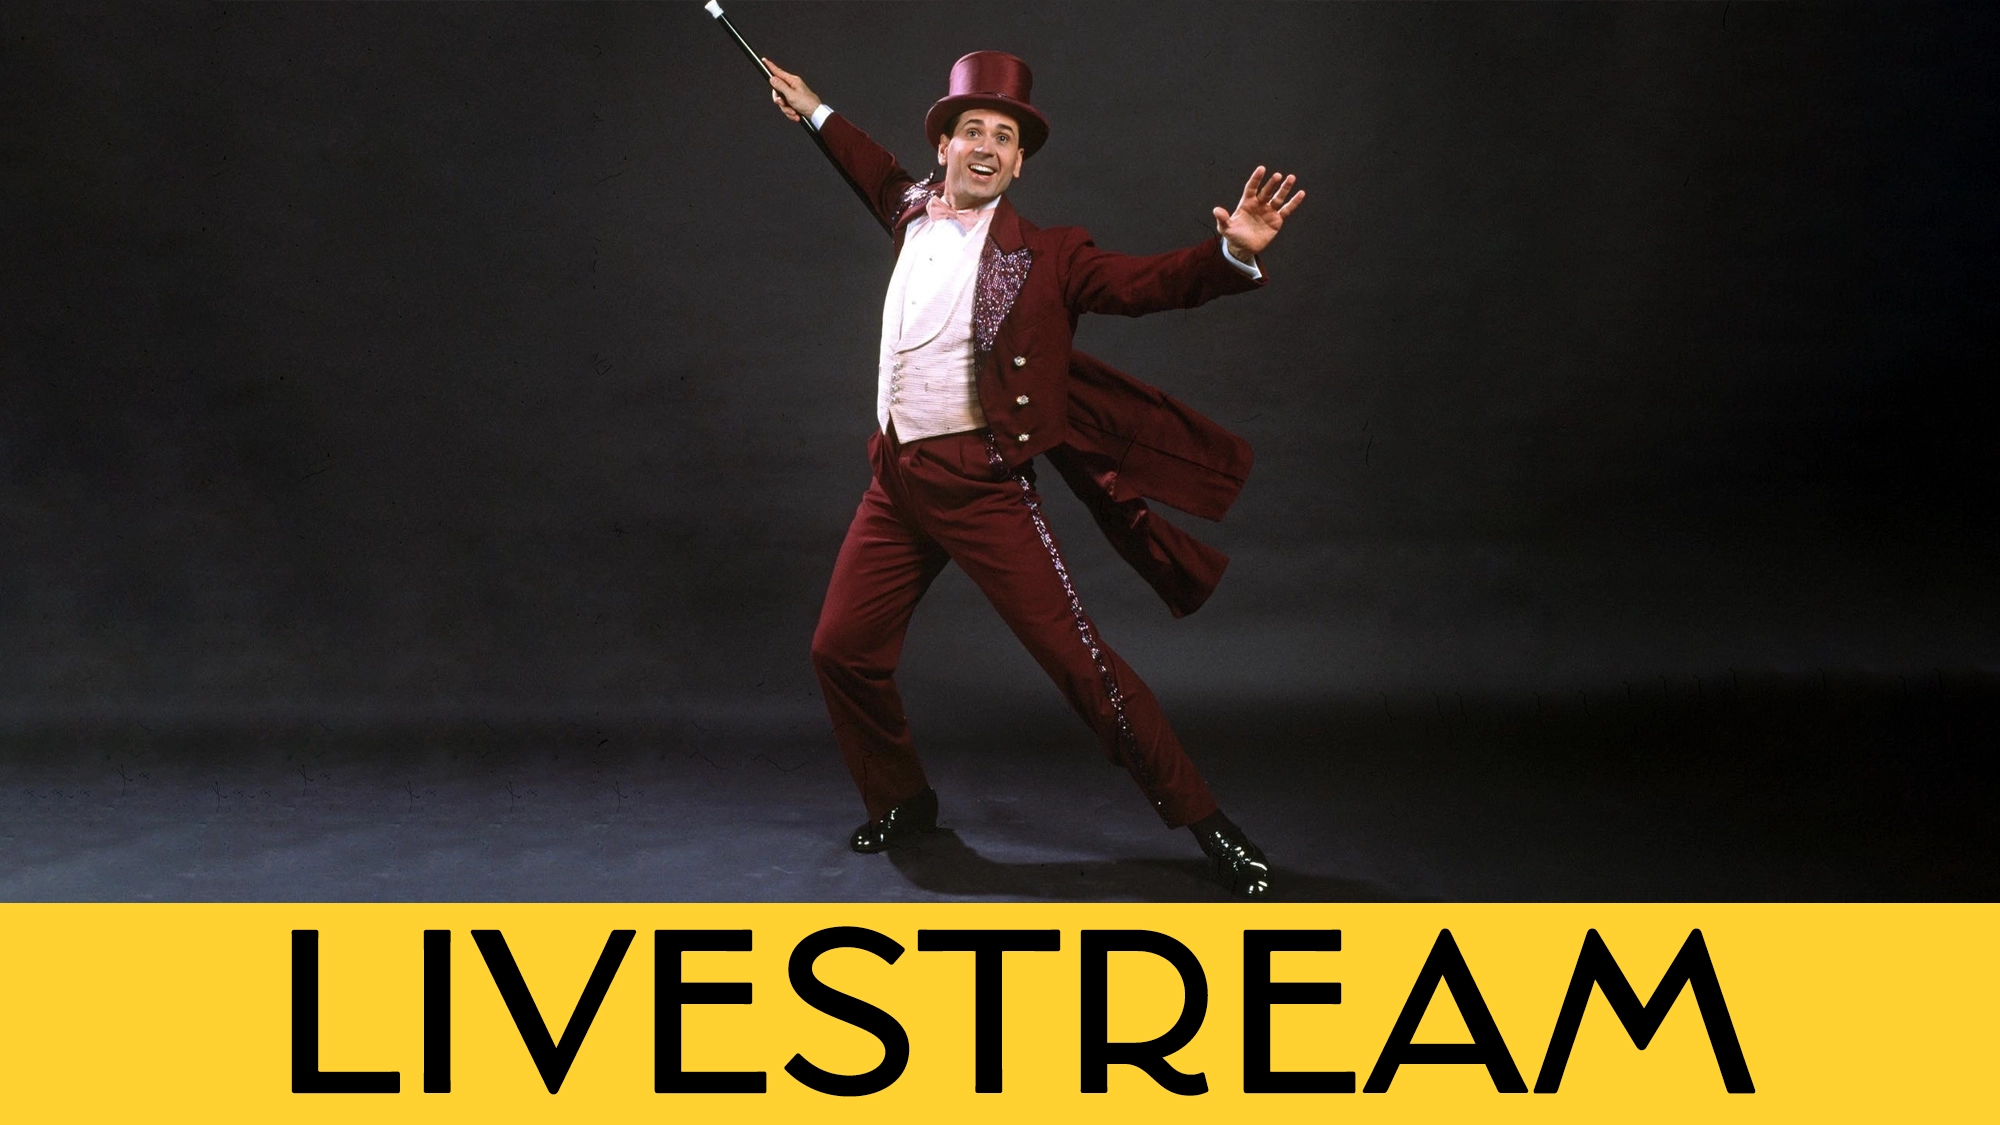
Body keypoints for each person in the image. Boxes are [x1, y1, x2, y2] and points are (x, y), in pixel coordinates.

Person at [766, 50, 1303, 897]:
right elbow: (863, 161)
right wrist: (814, 108)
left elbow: (1144, 284)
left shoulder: (1049, 257)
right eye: (969, 129)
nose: (984, 146)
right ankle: (904, 802)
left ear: (1019, 163)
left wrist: (1226, 255)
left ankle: (1213, 828)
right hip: (896, 481)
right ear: (942, 145)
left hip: (982, 485)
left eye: (1003, 136)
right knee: (841, 649)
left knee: (1084, 669)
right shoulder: (907, 209)